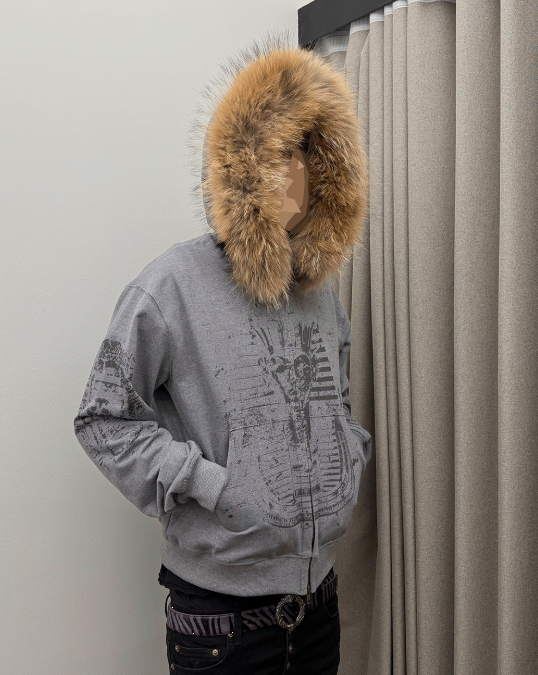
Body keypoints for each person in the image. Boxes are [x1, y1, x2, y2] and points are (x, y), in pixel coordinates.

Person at [73, 32, 372, 675]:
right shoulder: (170, 286)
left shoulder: (320, 296)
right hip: (222, 626)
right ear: (243, 165)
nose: (299, 173)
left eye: (312, 154)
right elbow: (103, 419)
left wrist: (349, 455)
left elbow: (338, 403)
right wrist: (211, 484)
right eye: (282, 152)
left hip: (319, 604)